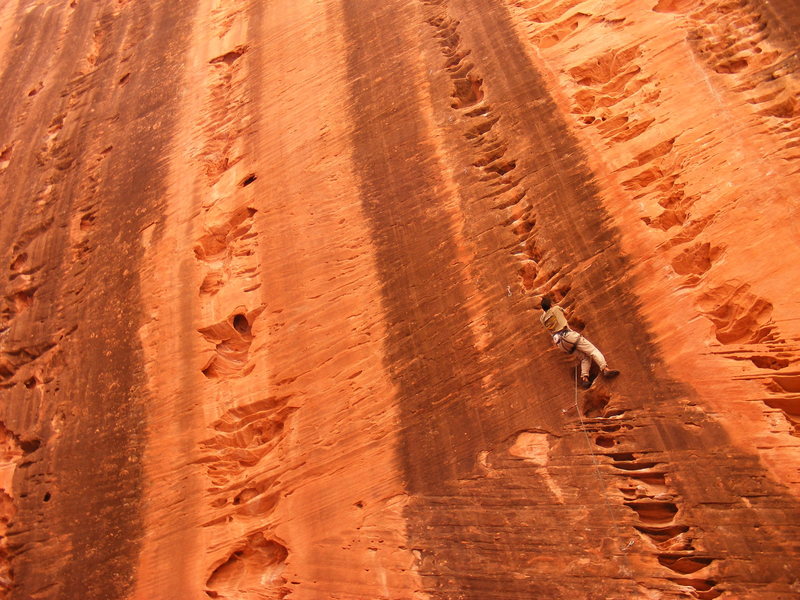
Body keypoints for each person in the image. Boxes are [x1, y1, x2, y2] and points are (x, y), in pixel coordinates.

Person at [540, 296, 619, 389]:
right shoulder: (556, 308)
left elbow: (547, 316)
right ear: (551, 304)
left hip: (560, 343)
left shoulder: (542, 319)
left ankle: (585, 378)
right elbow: (566, 312)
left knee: (584, 358)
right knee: (592, 351)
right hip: (568, 335)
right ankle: (605, 369)